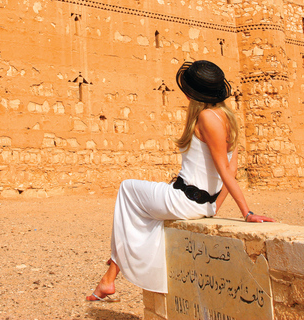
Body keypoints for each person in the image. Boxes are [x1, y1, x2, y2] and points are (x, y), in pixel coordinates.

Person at [87, 60, 274, 302]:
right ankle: (109, 278)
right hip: (200, 204)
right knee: (149, 217)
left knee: (126, 189)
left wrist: (246, 212)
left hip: (184, 200)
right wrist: (212, 207)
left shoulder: (206, 118)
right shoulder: (229, 119)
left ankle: (112, 275)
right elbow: (231, 169)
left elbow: (225, 172)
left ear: (192, 93)